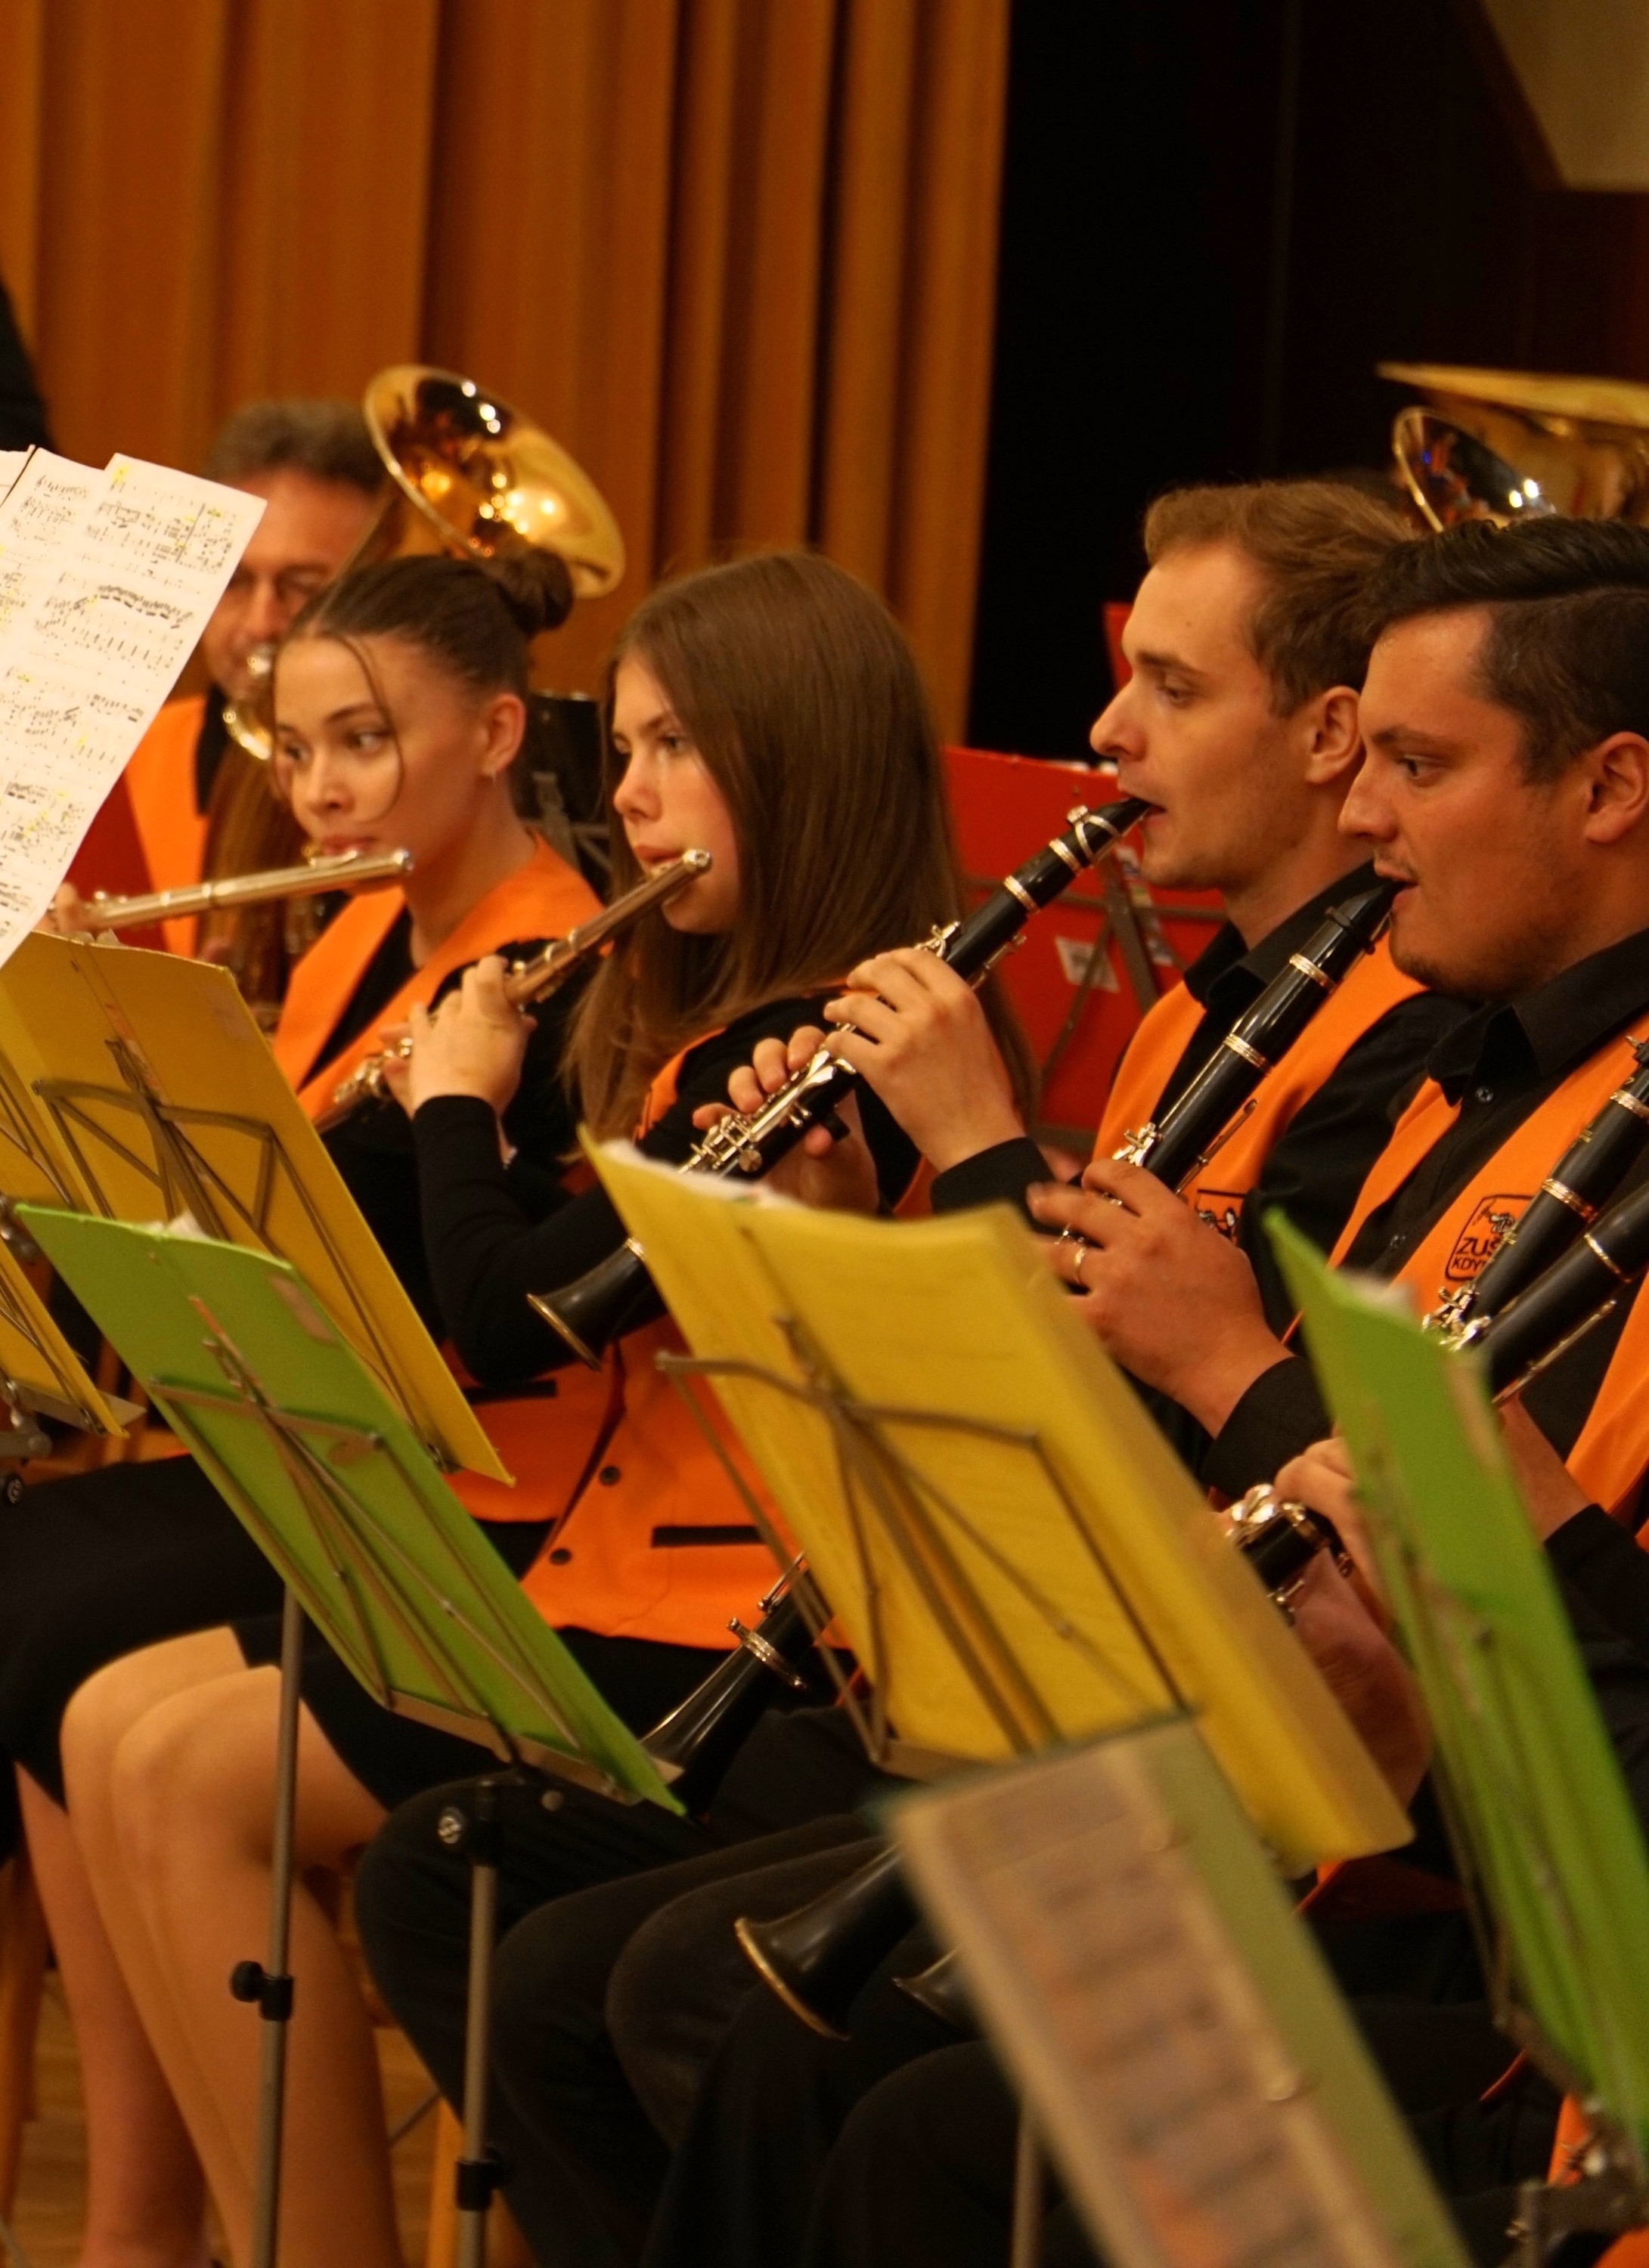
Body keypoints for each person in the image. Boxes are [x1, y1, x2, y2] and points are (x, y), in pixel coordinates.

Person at [349, 478, 1474, 2266]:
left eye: (1170, 688)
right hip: (1005, 1664)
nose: (1107, 730)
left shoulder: (1395, 1057)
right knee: (459, 1882)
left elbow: (1159, 1435)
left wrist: (971, 1146)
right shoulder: (1201, 1013)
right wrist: (837, 1235)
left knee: (680, 1998)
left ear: (1323, 736)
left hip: (1192, 1731)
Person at [629, 511, 1649, 2268]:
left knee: (868, 2103)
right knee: (747, 2030)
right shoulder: (1457, 1065)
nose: (1369, 815)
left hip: (1488, 1935)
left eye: (1416, 765)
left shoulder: (1452, 1061)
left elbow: (1473, 1588)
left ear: (1610, 787)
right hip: (1338, 1803)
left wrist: (1235, 1375)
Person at [51, 549, 980, 2268]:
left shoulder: (812, 1048)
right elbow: (408, 1279)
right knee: (116, 1724)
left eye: (674, 748)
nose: (629, 796)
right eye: (620, 751)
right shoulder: (704, 1017)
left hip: (708, 1617)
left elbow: (514, 1321)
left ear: (794, 762)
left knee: (181, 1770)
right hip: (596, 1573)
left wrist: (460, 1103)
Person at [1, 543, 597, 2268]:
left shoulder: (543, 961)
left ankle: (158, 2222)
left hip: (451, 1480)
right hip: (305, 1434)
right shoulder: (357, 938)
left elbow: (429, 1299)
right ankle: (147, 2209)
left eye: (363, 741)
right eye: (298, 745)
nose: (319, 788)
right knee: (33, 1591)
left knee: (56, 1621)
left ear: (495, 736)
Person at [91, 398, 386, 961]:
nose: (259, 625)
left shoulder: (409, 800)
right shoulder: (122, 752)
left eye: (302, 587)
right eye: (234, 582)